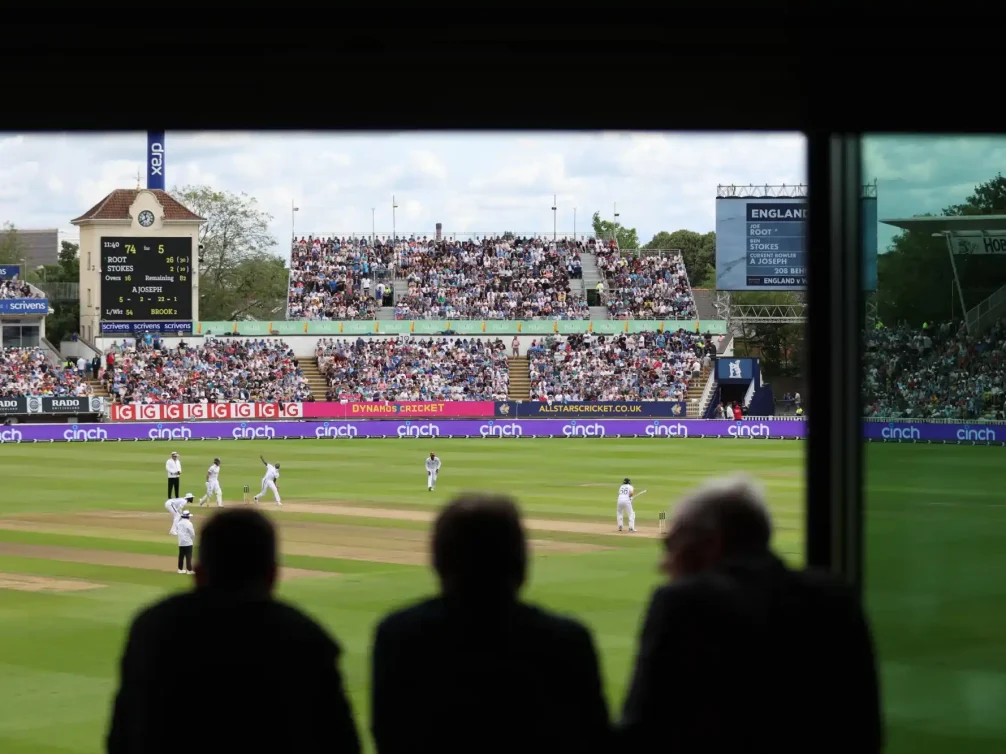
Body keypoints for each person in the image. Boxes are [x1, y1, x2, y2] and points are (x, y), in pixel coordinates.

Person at [619, 476, 882, 754]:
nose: (664, 564)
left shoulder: (685, 604)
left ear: (713, 543)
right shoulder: (835, 597)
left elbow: (643, 735)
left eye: (671, 546)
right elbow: (865, 732)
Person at [370, 494, 610, 753]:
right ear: (520, 561)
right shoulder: (568, 640)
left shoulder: (399, 635)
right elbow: (593, 737)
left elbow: (388, 735)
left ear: (439, 560)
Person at [107, 509, 361, 754]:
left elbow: (121, 737)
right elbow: (341, 742)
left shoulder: (153, 627)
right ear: (273, 575)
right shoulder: (304, 636)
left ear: (199, 574)